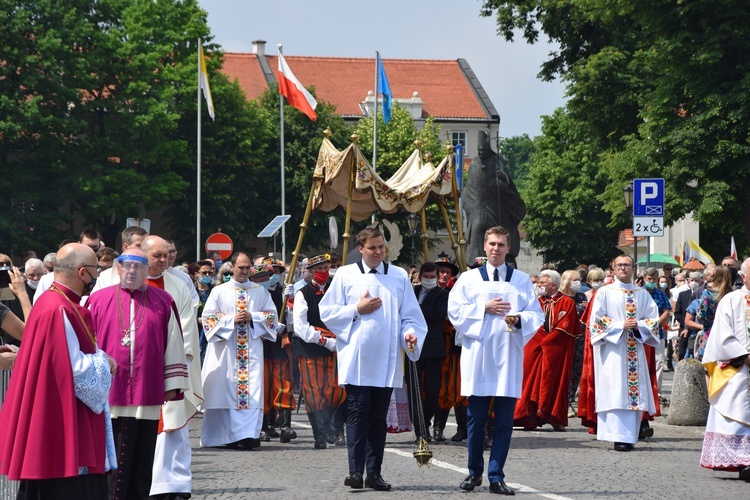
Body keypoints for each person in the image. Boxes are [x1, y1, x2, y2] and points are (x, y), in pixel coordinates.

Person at [0, 243, 116, 500]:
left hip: (50, 410)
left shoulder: (48, 302)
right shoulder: (59, 309)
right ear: (83, 272)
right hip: (64, 417)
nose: (97, 277)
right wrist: (104, 362)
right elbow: (75, 370)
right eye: (96, 270)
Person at [319, 228, 427, 491]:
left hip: (387, 359)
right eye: (372, 248)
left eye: (381, 247)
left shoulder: (398, 275)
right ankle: (355, 472)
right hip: (357, 357)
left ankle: (374, 472)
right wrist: (357, 309)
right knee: (357, 411)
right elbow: (327, 312)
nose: (378, 252)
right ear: (361, 248)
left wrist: (410, 335)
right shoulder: (346, 274)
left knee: (378, 416)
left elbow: (410, 315)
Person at [87, 248, 189, 500]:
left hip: (148, 389)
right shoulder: (97, 300)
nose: (132, 271)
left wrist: (172, 383)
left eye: (138, 267)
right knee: (111, 463)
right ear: (118, 268)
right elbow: (87, 345)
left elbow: (174, 343)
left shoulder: (163, 301)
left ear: (146, 271)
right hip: (110, 393)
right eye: (127, 266)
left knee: (143, 461)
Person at [448, 226, 543, 496]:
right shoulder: (468, 279)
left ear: (508, 248)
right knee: (476, 418)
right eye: (491, 244)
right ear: (484, 246)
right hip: (478, 355)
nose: (496, 249)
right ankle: (473, 472)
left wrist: (519, 319)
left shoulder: (521, 280)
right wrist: (483, 308)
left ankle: (496, 475)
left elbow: (535, 314)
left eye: (501, 244)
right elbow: (454, 312)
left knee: (503, 421)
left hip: (508, 356)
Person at [200, 252, 280, 450]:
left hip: (250, 350)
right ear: (232, 267)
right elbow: (207, 318)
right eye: (241, 267)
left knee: (250, 391)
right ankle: (222, 437)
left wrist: (254, 316)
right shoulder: (219, 291)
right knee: (223, 392)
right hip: (225, 350)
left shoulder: (260, 292)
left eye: (247, 268)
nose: (244, 271)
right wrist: (230, 320)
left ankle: (247, 435)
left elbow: (272, 319)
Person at [588, 254, 659, 451]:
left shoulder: (642, 294)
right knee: (615, 389)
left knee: (631, 393)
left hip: (634, 348)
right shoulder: (604, 292)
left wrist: (638, 325)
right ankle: (615, 435)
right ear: (613, 267)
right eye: (619, 265)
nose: (623, 268)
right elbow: (596, 320)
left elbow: (653, 320)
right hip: (613, 350)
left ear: (633, 268)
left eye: (627, 265)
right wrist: (620, 325)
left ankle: (629, 436)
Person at [699, 258, 750, 481]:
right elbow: (722, 334)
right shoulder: (731, 300)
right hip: (738, 368)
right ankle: (742, 461)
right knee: (737, 412)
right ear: (744, 276)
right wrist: (745, 355)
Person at [514, 270, 580, 433]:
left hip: (556, 350)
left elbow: (566, 326)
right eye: (539, 283)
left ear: (554, 285)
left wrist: (547, 341)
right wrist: (538, 339)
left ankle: (555, 418)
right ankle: (528, 417)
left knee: (554, 383)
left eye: (543, 283)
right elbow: (530, 323)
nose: (539, 285)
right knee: (530, 380)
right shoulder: (535, 302)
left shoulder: (567, 302)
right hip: (534, 348)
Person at [292, 254, 347, 449]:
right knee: (313, 391)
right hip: (311, 349)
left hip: (337, 346)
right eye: (319, 269)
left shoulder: (338, 291)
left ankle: (329, 424)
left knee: (336, 390)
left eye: (326, 268)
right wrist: (324, 341)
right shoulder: (302, 293)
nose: (323, 272)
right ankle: (320, 434)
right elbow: (300, 326)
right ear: (312, 272)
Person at [463, 130, 526, 264]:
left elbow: (506, 180)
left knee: (500, 230)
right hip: (478, 205)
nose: (481, 153)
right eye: (479, 151)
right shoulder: (474, 163)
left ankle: (505, 257)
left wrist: (502, 178)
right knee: (478, 226)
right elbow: (470, 187)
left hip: (497, 204)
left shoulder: (497, 160)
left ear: (488, 148)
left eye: (483, 150)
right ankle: (475, 261)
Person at [408, 262, 449, 443]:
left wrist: (415, 308)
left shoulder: (442, 293)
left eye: (433, 277)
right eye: (427, 277)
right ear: (420, 276)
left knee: (432, 390)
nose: (430, 280)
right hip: (412, 346)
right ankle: (419, 429)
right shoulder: (412, 292)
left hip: (433, 347)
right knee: (413, 390)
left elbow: (439, 314)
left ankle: (426, 422)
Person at [432, 257, 468, 443]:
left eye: (447, 272)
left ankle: (463, 428)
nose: (443, 275)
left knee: (459, 388)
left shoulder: (458, 293)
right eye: (440, 271)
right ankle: (438, 428)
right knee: (442, 389)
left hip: (457, 348)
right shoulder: (430, 293)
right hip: (440, 348)